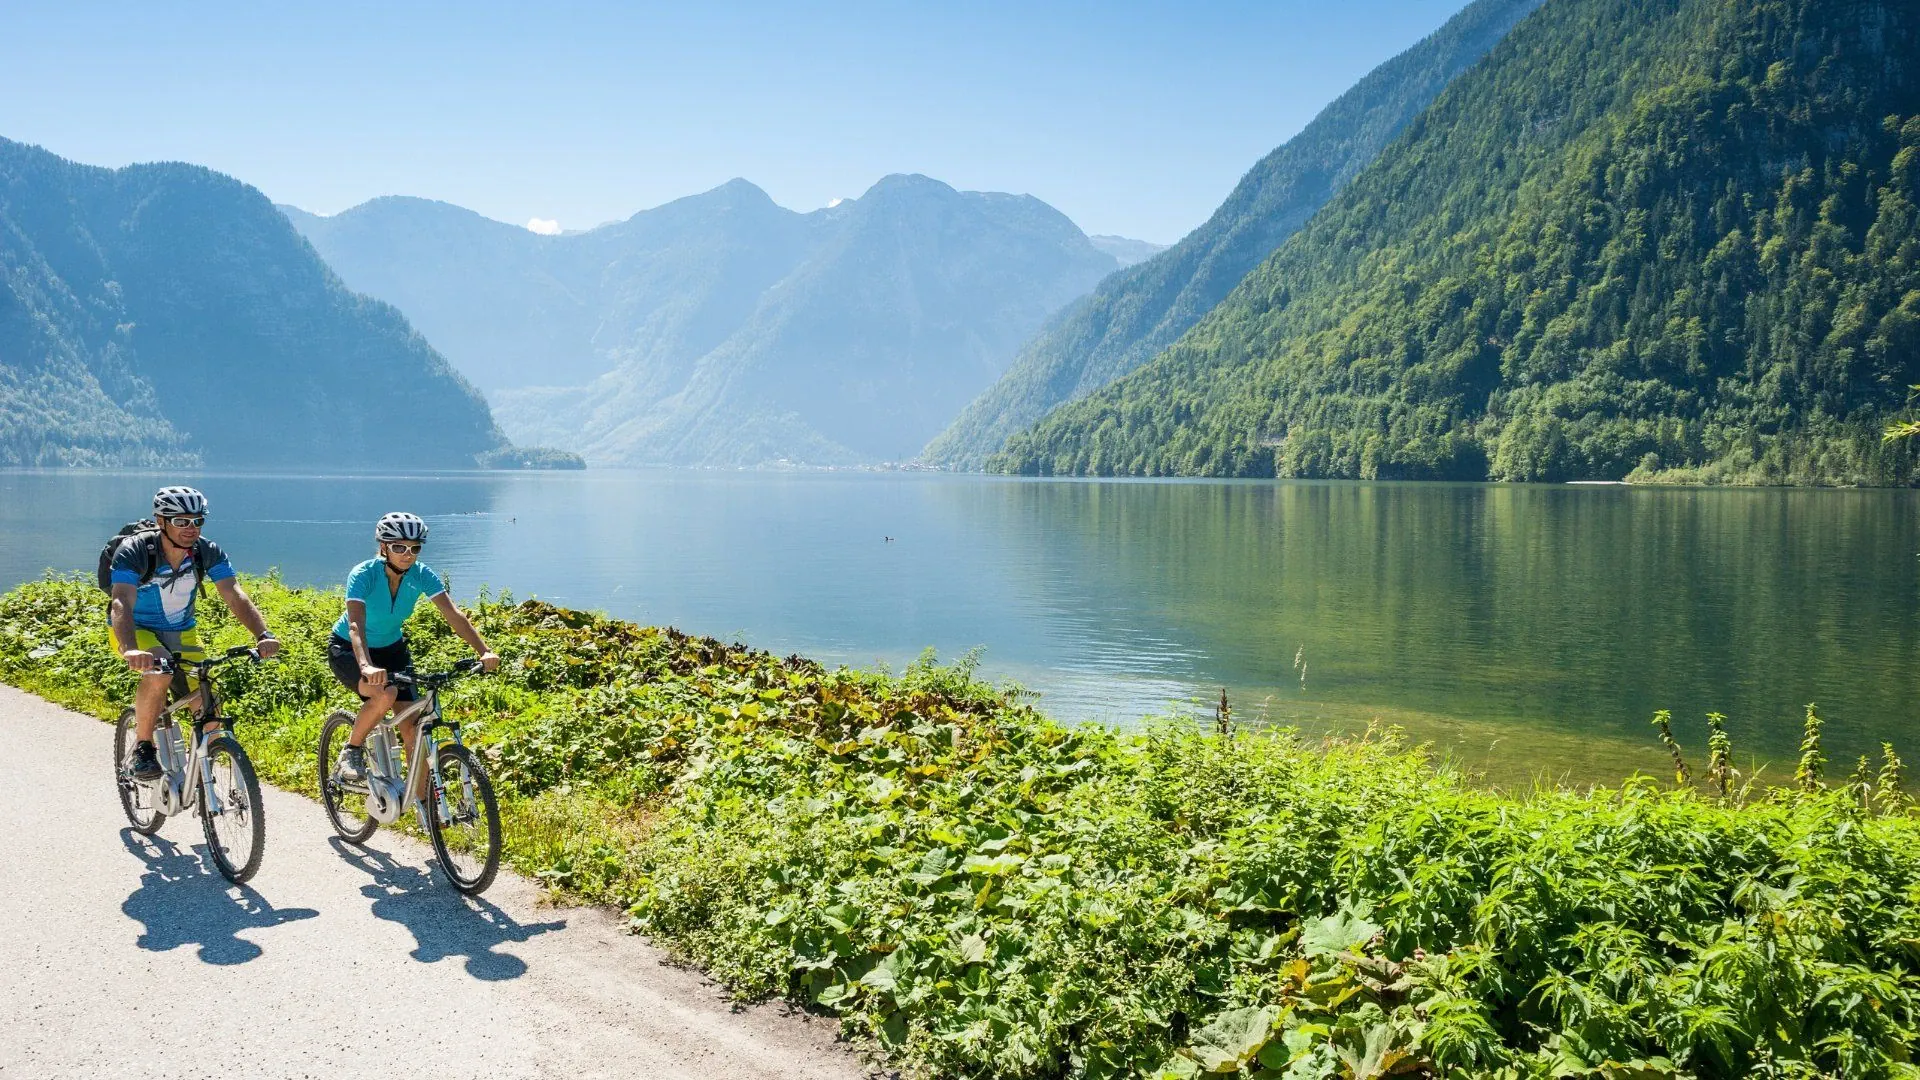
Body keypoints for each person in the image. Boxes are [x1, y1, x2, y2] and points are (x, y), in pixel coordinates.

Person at [111, 486, 281, 781]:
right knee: (160, 671)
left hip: (182, 631)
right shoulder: (135, 550)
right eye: (181, 521)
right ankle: (144, 747)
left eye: (197, 521)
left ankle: (206, 773)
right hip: (137, 630)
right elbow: (121, 600)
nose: (191, 528)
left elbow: (234, 594)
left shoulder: (206, 552)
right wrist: (130, 648)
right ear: (161, 521)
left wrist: (263, 634)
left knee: (207, 694)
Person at [327, 512, 498, 784]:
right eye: (399, 547)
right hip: (350, 649)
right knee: (385, 694)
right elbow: (356, 625)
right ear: (384, 547)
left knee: (414, 729)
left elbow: (453, 615)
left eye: (414, 548)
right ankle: (352, 750)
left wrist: (484, 650)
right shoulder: (363, 574)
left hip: (392, 650)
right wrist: (366, 665)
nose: (408, 554)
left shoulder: (421, 575)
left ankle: (421, 803)